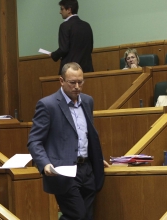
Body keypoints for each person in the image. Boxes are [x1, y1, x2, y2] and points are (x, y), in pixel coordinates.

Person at [27, 62, 109, 219]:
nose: (77, 86)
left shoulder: (87, 101)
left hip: (87, 169)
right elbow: (34, 140)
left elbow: (87, 134)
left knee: (87, 216)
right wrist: (45, 164)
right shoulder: (48, 105)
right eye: (72, 82)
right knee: (78, 215)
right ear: (61, 81)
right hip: (63, 171)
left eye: (81, 82)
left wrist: (97, 158)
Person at [50, 0, 94, 74]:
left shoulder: (65, 26)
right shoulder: (87, 25)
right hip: (87, 69)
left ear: (69, 10)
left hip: (70, 70)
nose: (60, 12)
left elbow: (64, 49)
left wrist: (54, 55)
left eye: (62, 9)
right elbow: (90, 48)